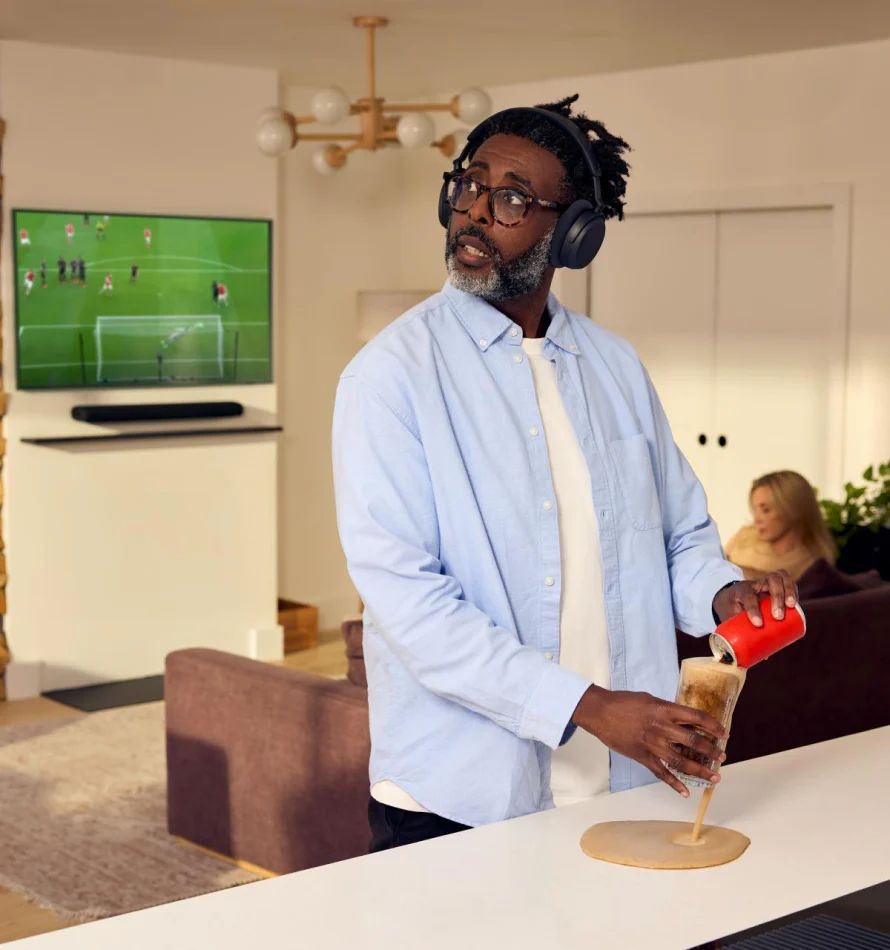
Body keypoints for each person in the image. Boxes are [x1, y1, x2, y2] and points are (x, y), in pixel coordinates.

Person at [332, 96, 799, 851]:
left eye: (512, 198)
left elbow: (679, 535)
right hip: (460, 792)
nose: (475, 213)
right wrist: (591, 707)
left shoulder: (615, 367)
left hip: (620, 778)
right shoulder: (389, 378)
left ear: (575, 232)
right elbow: (412, 606)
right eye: (469, 186)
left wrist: (722, 593)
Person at [724, 471, 836, 582]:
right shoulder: (745, 534)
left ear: (793, 508)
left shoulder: (812, 563)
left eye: (766, 510)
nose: (756, 519)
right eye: (755, 510)